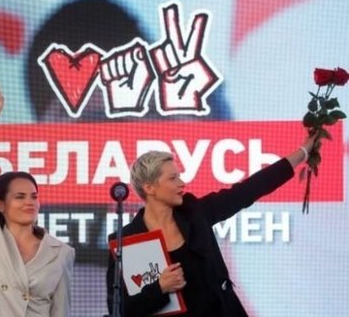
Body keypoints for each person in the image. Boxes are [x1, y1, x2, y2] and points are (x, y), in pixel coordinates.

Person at [106, 134, 316, 316]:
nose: (181, 183)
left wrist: (302, 153)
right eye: (173, 178)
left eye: (179, 176)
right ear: (149, 187)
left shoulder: (195, 211)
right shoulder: (126, 241)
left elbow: (248, 190)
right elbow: (120, 309)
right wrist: (160, 287)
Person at [0, 79, 75, 316]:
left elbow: (60, 311)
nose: (29, 202)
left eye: (34, 196)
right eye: (20, 197)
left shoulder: (61, 252)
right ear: (0, 203)